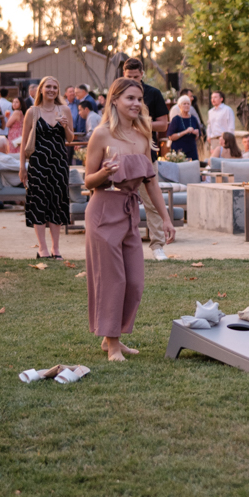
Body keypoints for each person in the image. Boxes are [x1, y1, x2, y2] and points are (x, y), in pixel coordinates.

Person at [84, 76, 175, 362]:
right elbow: (89, 180)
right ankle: (111, 343)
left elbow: (151, 182)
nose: (136, 104)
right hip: (103, 213)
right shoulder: (101, 135)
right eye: (130, 99)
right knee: (113, 280)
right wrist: (105, 173)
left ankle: (115, 336)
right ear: (115, 101)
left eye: (139, 99)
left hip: (129, 213)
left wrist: (166, 218)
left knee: (134, 282)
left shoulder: (143, 136)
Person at [120, 58, 171, 262]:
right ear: (123, 74)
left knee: (151, 202)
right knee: (121, 203)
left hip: (147, 156)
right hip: (123, 155)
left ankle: (157, 246)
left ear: (142, 74)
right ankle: (122, 244)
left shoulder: (153, 94)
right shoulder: (117, 94)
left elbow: (164, 125)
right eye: (128, 77)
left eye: (135, 77)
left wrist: (142, 123)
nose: (132, 80)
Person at [19, 75, 74, 259]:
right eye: (48, 87)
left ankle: (56, 248)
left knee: (57, 203)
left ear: (58, 91)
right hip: (37, 164)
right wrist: (22, 167)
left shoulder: (64, 109)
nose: (51, 90)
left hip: (59, 164)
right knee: (38, 202)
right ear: (41, 90)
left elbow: (70, 139)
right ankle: (42, 248)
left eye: (55, 87)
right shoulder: (32, 112)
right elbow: (24, 142)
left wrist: (65, 126)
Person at [167, 94, 200, 161]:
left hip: (192, 150)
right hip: (179, 151)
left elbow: (197, 137)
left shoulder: (193, 119)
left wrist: (196, 133)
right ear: (179, 106)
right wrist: (185, 132)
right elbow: (171, 137)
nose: (186, 106)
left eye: (188, 104)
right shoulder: (176, 119)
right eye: (184, 104)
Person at [206, 90, 235, 154]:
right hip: (213, 139)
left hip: (224, 139)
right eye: (212, 97)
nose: (213, 99)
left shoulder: (227, 110)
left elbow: (231, 126)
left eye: (215, 97)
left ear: (221, 99)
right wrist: (209, 135)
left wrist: (229, 139)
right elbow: (209, 125)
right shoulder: (210, 112)